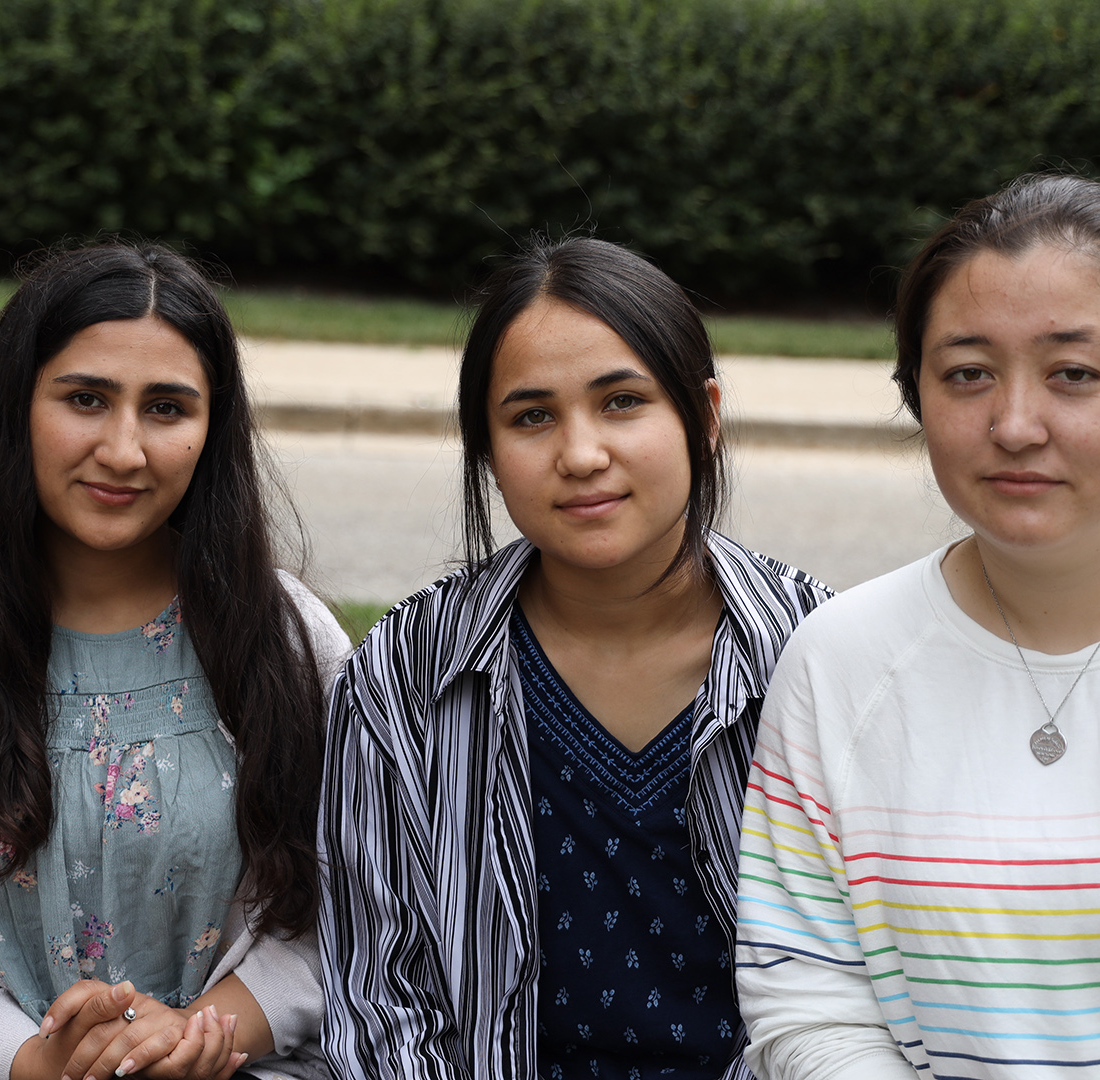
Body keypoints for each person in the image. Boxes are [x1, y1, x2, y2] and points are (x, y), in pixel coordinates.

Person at [734, 173, 1100, 1078]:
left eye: (1074, 375)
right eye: (968, 374)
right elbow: (809, 1001)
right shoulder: (840, 662)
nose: (1014, 424)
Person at [317, 236, 831, 1079]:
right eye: (531, 417)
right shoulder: (403, 673)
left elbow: (856, 992)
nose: (581, 454)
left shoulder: (818, 654)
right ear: (485, 447)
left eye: (622, 401)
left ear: (703, 416)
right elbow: (382, 1002)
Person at [0, 242, 350, 1080]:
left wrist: (193, 1034)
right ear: (16, 406)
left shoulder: (289, 640)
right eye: (86, 399)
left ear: (211, 430)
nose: (125, 451)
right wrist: (32, 1062)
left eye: (167, 408)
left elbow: (344, 907)